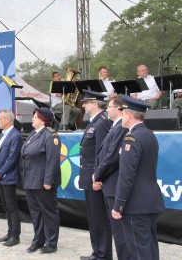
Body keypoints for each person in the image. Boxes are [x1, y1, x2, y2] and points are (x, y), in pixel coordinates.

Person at [112, 95, 165, 260]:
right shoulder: (149, 134)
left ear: (128, 115)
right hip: (149, 201)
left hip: (136, 204)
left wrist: (118, 206)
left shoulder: (132, 138)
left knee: (138, 250)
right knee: (149, 247)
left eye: (123, 113)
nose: (121, 117)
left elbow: (127, 176)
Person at [93, 96, 130, 260]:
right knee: (117, 231)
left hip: (114, 184)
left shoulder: (121, 128)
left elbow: (112, 157)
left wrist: (98, 174)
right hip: (109, 184)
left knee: (121, 233)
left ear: (119, 109)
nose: (107, 109)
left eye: (110, 106)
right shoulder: (115, 127)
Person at [21, 107, 61, 254]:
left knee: (49, 213)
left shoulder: (51, 135)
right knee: (36, 213)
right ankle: (38, 240)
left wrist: (48, 181)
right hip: (31, 180)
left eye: (35, 117)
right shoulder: (33, 134)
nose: (32, 119)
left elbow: (53, 160)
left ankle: (51, 243)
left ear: (43, 120)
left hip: (43, 181)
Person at [79, 89, 112, 260]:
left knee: (100, 219)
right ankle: (96, 252)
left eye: (85, 102)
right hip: (88, 177)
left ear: (94, 103)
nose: (83, 105)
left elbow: (103, 153)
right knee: (93, 219)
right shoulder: (93, 122)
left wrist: (97, 177)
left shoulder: (102, 122)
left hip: (95, 179)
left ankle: (103, 255)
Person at [0, 109, 23, 247]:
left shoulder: (15, 135)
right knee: (5, 206)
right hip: (0, 175)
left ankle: (15, 236)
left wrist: (1, 172)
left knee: (11, 206)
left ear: (7, 120)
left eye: (0, 119)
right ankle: (10, 232)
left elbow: (12, 158)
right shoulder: (3, 134)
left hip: (8, 177)